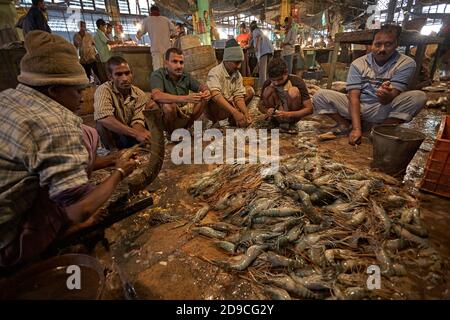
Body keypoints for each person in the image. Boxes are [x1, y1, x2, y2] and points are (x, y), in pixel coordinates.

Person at [0, 31, 139, 268]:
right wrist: (120, 173)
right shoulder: (55, 124)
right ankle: (47, 239)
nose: (83, 97)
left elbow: (39, 160)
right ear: (53, 90)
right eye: (77, 91)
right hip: (6, 242)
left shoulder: (8, 98)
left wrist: (106, 162)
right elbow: (79, 210)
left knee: (86, 135)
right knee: (83, 208)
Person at [313, 24, 427, 145]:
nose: (382, 49)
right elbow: (353, 97)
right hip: (360, 105)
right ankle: (346, 125)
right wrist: (357, 129)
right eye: (378, 44)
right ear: (371, 45)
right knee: (319, 95)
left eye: (388, 44)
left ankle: (379, 130)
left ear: (396, 45)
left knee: (419, 97)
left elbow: (392, 96)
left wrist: (385, 95)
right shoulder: (358, 63)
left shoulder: (406, 63)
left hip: (384, 107)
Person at [94, 56, 155, 150]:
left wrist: (142, 134)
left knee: (152, 108)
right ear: (110, 77)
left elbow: (137, 120)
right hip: (115, 135)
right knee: (101, 123)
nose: (125, 78)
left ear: (132, 73)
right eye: (119, 74)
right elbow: (104, 118)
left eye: (127, 73)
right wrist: (136, 133)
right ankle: (113, 152)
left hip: (129, 133)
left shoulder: (139, 94)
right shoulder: (103, 90)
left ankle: (138, 145)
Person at [150, 48, 211, 134]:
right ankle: (170, 134)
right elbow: (157, 95)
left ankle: (186, 128)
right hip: (165, 115)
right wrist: (186, 98)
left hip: (183, 112)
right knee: (169, 107)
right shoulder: (158, 74)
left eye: (181, 62)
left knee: (204, 99)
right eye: (174, 62)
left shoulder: (185, 75)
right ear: (166, 63)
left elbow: (202, 86)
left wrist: (206, 91)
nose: (179, 66)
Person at [205, 39, 254, 128]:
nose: (239, 66)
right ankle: (217, 121)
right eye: (236, 63)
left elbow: (238, 96)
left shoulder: (237, 74)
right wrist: (235, 112)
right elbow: (216, 96)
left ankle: (233, 119)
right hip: (216, 109)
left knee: (249, 91)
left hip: (229, 106)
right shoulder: (215, 72)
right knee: (217, 98)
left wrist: (246, 112)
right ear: (227, 60)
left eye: (240, 63)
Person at [259, 58, 312, 130]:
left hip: (292, 116)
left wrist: (289, 114)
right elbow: (260, 105)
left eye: (280, 79)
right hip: (275, 117)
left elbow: (309, 109)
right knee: (268, 90)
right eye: (273, 80)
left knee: (293, 91)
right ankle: (274, 122)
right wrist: (267, 111)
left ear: (286, 73)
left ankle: (290, 124)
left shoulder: (297, 81)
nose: (276, 83)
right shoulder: (268, 83)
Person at [136, 5, 176, 71]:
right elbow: (174, 31)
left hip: (156, 50)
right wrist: (170, 35)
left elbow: (139, 33)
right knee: (168, 69)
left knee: (158, 70)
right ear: (159, 11)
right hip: (167, 49)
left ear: (150, 12)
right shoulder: (165, 19)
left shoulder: (147, 20)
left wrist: (138, 37)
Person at [94, 19, 121, 83]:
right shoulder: (100, 33)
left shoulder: (99, 33)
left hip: (105, 55)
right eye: (105, 27)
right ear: (101, 26)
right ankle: (110, 85)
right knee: (108, 72)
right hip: (105, 56)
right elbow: (108, 42)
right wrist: (117, 42)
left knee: (108, 72)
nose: (105, 29)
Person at [250, 21, 274, 90]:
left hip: (264, 51)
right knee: (267, 71)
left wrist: (256, 47)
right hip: (269, 51)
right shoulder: (259, 30)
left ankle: (262, 88)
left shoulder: (255, 31)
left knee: (262, 72)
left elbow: (258, 38)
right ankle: (268, 87)